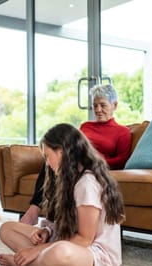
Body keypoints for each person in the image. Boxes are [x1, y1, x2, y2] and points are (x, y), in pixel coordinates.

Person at [0, 123, 125, 266]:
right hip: (68, 241)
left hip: (92, 253)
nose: (47, 163)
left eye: (47, 156)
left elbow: (85, 239)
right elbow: (66, 225)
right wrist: (46, 231)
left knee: (59, 252)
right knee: (7, 229)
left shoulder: (87, 183)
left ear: (62, 152)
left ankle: (23, 265)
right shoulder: (68, 178)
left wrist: (35, 250)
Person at [21, 84, 131, 225]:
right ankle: (35, 211)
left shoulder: (122, 132)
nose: (98, 110)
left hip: (92, 167)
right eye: (95, 105)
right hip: (75, 163)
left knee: (65, 167)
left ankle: (51, 222)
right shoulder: (86, 126)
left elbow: (122, 160)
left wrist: (92, 160)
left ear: (114, 105)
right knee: (52, 162)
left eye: (103, 105)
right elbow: (72, 146)